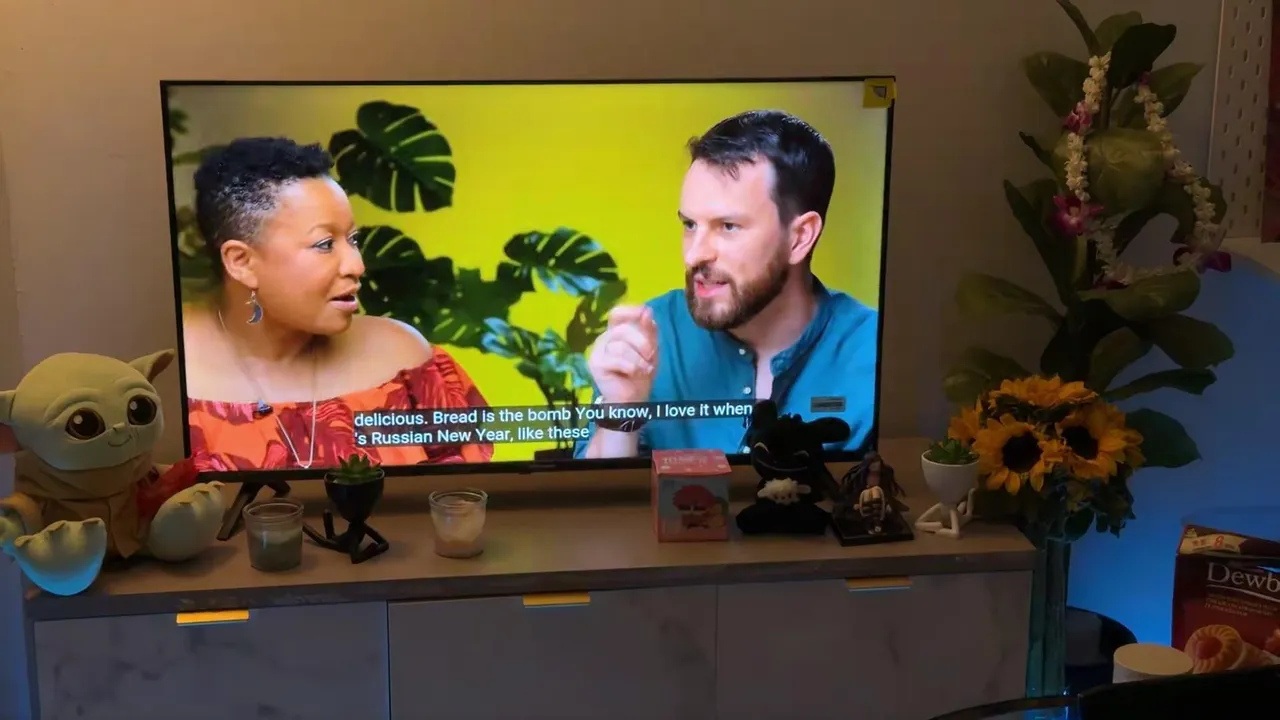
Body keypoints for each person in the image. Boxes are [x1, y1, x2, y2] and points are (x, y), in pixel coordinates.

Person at [576, 110, 879, 459]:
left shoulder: (874, 353)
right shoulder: (649, 339)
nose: (694, 255)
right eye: (690, 225)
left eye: (728, 227)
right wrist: (620, 412)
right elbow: (596, 491)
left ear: (799, 237)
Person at [180, 137, 493, 471]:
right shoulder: (167, 375)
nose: (356, 265)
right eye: (325, 244)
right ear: (241, 262)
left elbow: (462, 492)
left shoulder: (403, 361)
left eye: (353, 239)